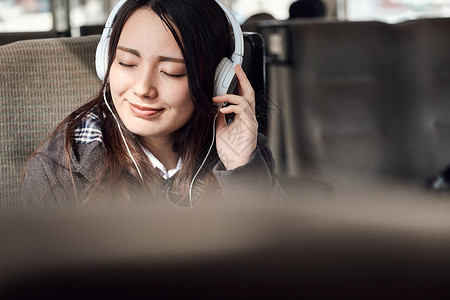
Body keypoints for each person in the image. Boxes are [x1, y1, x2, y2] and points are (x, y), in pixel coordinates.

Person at [21, 0, 286, 209]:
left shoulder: (243, 149)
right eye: (126, 63)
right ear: (106, 63)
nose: (143, 89)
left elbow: (279, 262)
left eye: (171, 71)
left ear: (217, 80)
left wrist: (241, 169)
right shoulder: (59, 168)